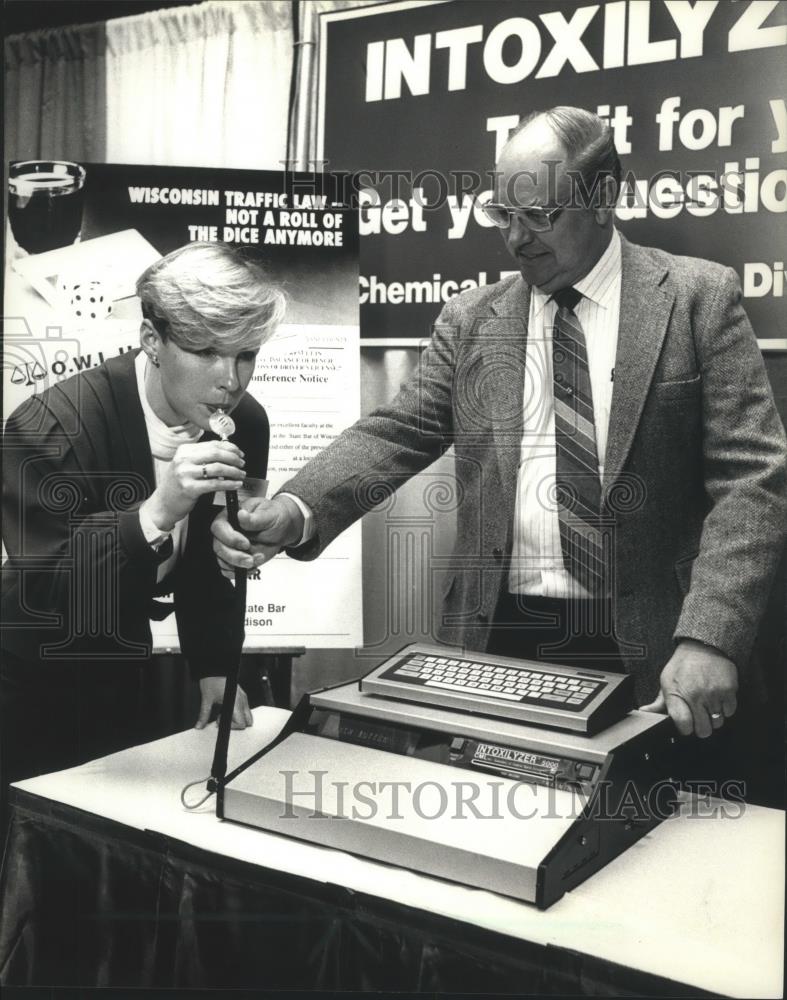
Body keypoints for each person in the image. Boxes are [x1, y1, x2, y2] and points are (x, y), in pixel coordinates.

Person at [212, 108, 786, 799]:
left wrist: (711, 637)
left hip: (658, 645)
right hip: (501, 639)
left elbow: (751, 477)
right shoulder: (472, 317)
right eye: (500, 214)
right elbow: (395, 432)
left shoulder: (696, 298)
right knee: (500, 846)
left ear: (603, 196)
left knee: (658, 859)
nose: (515, 238)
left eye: (537, 215)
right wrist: (295, 509)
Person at [1, 241, 286, 813]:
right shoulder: (48, 426)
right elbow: (53, 589)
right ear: (152, 340)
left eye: (246, 353)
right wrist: (157, 512)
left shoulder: (244, 423)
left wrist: (212, 666)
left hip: (119, 668)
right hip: (29, 673)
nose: (231, 380)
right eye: (206, 351)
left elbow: (213, 558)